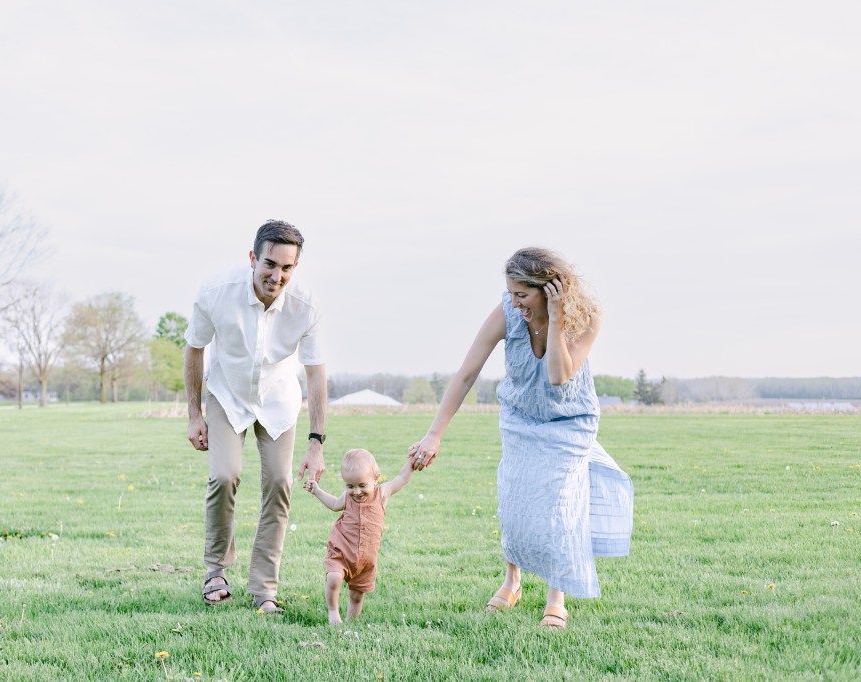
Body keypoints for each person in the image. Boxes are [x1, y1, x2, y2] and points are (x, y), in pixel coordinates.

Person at [408, 247, 633, 630]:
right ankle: (512, 581)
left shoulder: (587, 318)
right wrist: (434, 434)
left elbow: (559, 376)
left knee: (559, 503)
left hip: (569, 420)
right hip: (520, 415)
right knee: (513, 501)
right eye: (510, 293)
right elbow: (466, 373)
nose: (514, 302)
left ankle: (556, 595)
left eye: (522, 295)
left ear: (550, 290)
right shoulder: (507, 312)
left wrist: (559, 319)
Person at [184, 219, 328, 612]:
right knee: (224, 474)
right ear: (252, 258)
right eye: (270, 264)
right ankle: (215, 570)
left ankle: (264, 589)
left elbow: (316, 374)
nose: (277, 276)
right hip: (226, 394)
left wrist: (317, 443)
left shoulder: (307, 305)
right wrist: (195, 414)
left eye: (287, 268)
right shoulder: (216, 292)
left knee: (280, 483)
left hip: (278, 400)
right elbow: (194, 348)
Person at [303, 448, 415, 625]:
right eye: (350, 486)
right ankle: (333, 612)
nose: (356, 492)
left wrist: (412, 462)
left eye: (362, 485)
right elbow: (333, 504)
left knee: (356, 595)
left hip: (365, 559)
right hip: (342, 551)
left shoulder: (382, 494)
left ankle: (350, 622)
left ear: (375, 478)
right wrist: (317, 491)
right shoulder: (347, 498)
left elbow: (401, 478)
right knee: (333, 577)